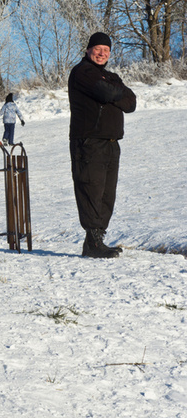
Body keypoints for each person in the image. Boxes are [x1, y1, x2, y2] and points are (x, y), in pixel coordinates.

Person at [68, 32, 136, 258]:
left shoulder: (110, 75)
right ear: (88, 50)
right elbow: (107, 92)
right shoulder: (82, 72)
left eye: (106, 50)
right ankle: (93, 241)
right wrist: (112, 92)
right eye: (98, 49)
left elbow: (131, 102)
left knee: (107, 193)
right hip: (89, 141)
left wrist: (113, 93)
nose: (102, 54)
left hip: (110, 142)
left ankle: (95, 241)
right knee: (91, 188)